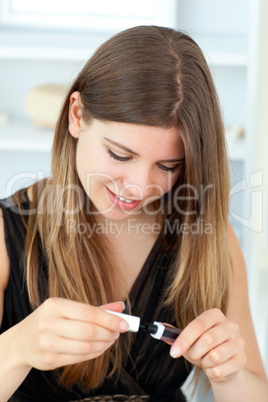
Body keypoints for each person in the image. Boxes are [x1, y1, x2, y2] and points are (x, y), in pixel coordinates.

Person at [0, 25, 267, 402]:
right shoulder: (7, 233)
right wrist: (16, 349)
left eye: (168, 165)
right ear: (77, 116)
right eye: (120, 155)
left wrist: (229, 375)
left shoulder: (207, 235)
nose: (139, 188)